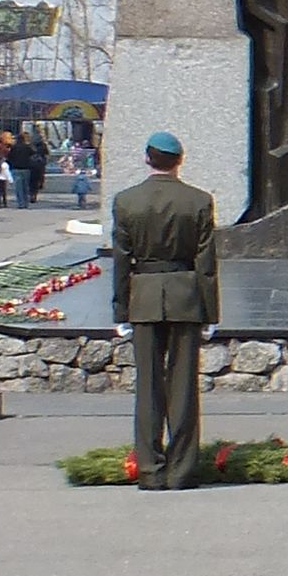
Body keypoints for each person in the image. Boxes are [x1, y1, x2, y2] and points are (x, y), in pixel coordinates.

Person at [110, 131, 220, 492]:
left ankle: (150, 470)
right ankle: (182, 470)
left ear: (147, 158)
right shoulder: (199, 201)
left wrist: (120, 311)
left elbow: (121, 261)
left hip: (143, 297)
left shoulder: (126, 201)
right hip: (185, 297)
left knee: (148, 387)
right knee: (183, 386)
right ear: (179, 161)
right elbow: (206, 264)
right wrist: (211, 313)